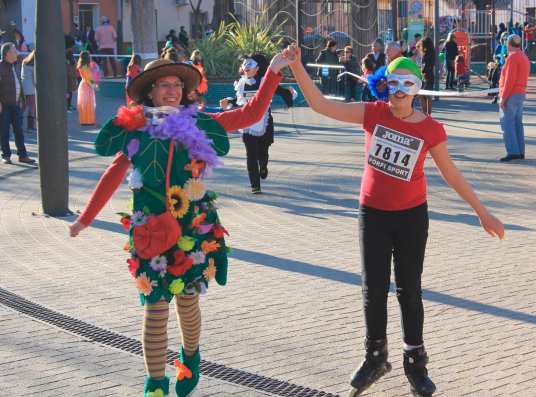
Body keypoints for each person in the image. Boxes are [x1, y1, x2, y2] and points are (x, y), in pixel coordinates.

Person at [69, 49, 295, 397]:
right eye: (164, 85)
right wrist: (85, 219)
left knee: (188, 302)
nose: (172, 91)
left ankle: (190, 356)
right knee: (155, 305)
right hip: (149, 230)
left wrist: (274, 72)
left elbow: (251, 112)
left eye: (177, 84)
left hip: (193, 227)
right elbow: (114, 173)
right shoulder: (137, 129)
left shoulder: (200, 122)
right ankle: (155, 384)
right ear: (150, 91)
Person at [285, 42, 505, 397]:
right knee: (373, 290)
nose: (401, 92)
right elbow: (321, 105)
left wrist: (482, 211)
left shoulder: (431, 129)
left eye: (409, 84)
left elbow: (450, 174)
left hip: (411, 218)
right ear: (383, 84)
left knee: (409, 291)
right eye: (395, 83)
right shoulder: (373, 113)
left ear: (418, 88)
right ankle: (375, 356)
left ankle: (415, 362)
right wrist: (295, 67)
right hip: (371, 214)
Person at [219, 54, 297, 194]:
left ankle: (263, 165)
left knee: (263, 151)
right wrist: (228, 102)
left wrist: (289, 94)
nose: (247, 67)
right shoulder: (241, 84)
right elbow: (238, 100)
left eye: (250, 65)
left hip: (264, 121)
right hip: (247, 122)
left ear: (257, 68)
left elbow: (279, 91)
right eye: (245, 65)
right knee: (251, 154)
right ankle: (255, 185)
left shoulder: (263, 81)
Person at [0, 43, 35, 165]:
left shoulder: (13, 66)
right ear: (7, 54)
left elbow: (17, 83)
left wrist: (20, 98)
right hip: (4, 105)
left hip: (15, 105)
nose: (17, 53)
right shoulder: (1, 67)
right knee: (4, 131)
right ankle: (6, 155)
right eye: (14, 51)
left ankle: (23, 155)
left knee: (19, 131)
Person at [498, 34, 530, 162]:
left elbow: (509, 79)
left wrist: (503, 98)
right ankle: (520, 151)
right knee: (518, 123)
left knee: (507, 123)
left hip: (511, 94)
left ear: (509, 44)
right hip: (520, 93)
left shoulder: (512, 57)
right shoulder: (523, 56)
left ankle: (512, 151)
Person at [76, 51, 96, 125]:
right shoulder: (86, 68)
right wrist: (94, 86)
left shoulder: (83, 67)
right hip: (87, 86)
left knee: (84, 103)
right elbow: (88, 79)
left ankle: (84, 120)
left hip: (84, 85)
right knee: (88, 103)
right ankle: (88, 120)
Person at [418, 37, 435, 114]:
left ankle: (425, 111)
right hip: (430, 74)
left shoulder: (425, 53)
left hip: (426, 74)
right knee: (428, 94)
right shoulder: (432, 52)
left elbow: (425, 65)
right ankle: (428, 111)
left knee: (421, 94)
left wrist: (421, 70)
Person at [20, 50, 36, 132]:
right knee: (32, 106)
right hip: (31, 88)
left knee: (23, 105)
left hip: (23, 86)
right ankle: (30, 127)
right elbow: (35, 79)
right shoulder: (34, 66)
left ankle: (19, 124)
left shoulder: (25, 62)